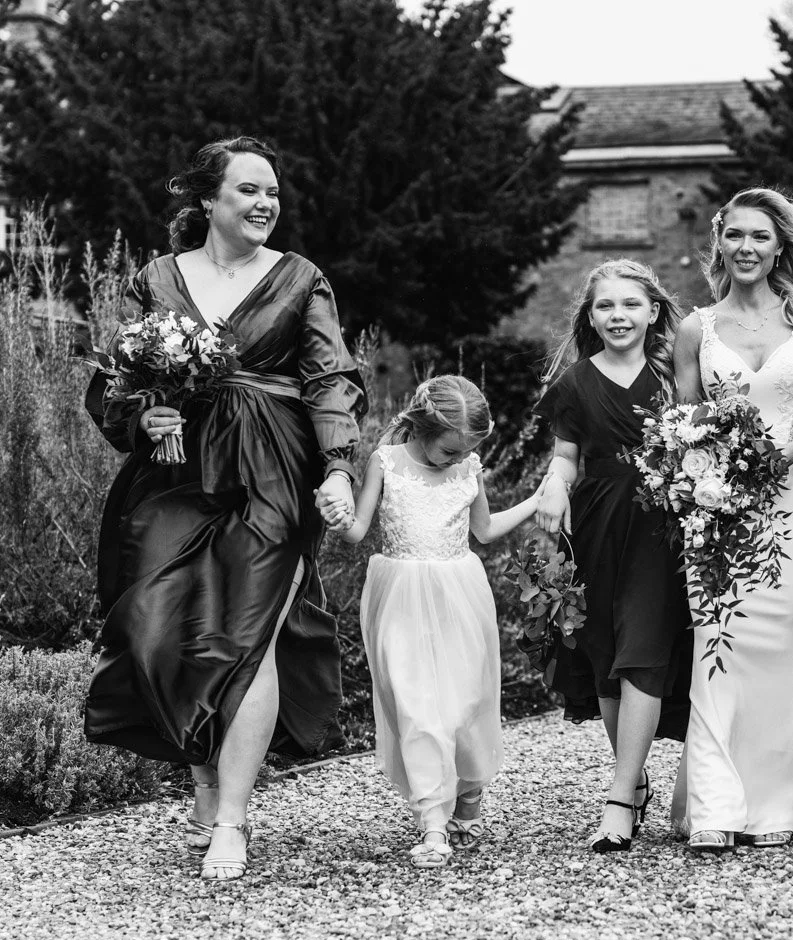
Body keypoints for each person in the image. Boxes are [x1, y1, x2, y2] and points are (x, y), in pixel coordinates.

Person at [83, 136, 365, 880]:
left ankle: (233, 821)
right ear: (208, 201)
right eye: (247, 190)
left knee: (249, 637)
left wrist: (337, 466)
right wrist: (145, 416)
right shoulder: (155, 278)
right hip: (173, 473)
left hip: (272, 470)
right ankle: (206, 778)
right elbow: (114, 375)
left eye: (272, 191)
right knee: (156, 629)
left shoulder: (301, 279)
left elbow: (331, 378)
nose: (265, 202)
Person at [669, 188, 793, 851]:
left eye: (760, 237)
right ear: (720, 243)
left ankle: (776, 805)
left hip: (791, 494)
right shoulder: (697, 328)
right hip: (715, 502)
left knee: (772, 643)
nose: (746, 247)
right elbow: (681, 418)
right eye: (735, 235)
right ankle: (715, 804)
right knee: (717, 639)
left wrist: (781, 454)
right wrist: (701, 476)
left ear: (780, 248)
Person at [322, 376, 532, 868]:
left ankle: (469, 786)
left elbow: (483, 530)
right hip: (400, 597)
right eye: (448, 451)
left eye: (465, 452)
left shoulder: (469, 467)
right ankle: (432, 823)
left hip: (460, 593)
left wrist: (535, 500)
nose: (456, 461)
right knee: (417, 705)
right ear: (420, 426)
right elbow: (356, 532)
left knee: (463, 701)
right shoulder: (386, 462)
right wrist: (336, 512)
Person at [535, 259, 691, 853]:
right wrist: (553, 483)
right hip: (596, 526)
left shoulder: (676, 376)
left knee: (643, 651)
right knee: (604, 657)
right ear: (591, 317)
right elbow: (566, 456)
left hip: (659, 529)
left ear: (653, 312)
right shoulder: (574, 384)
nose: (618, 315)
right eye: (606, 306)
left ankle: (620, 798)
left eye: (631, 305)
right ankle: (635, 776)